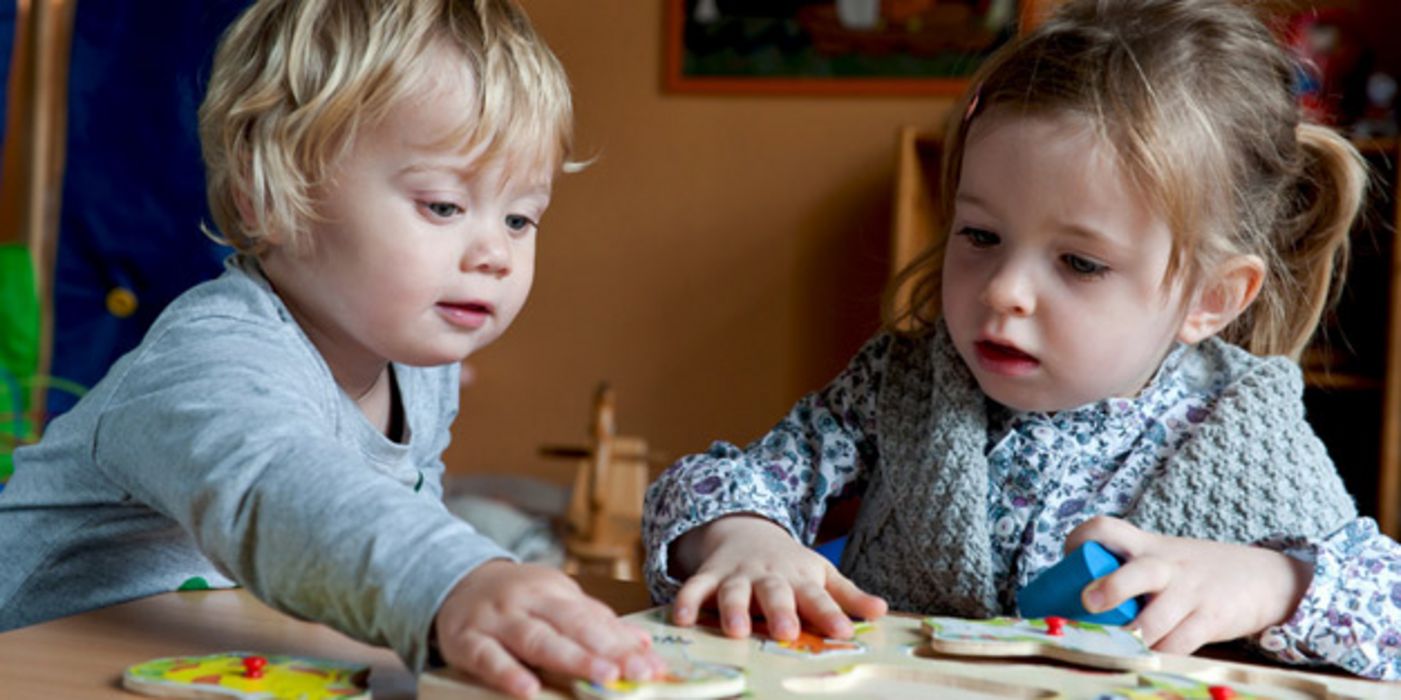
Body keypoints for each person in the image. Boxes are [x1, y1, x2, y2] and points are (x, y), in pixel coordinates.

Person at [644, 0, 1400, 680]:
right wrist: (740, 539)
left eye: (1079, 262)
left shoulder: (1243, 429)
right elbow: (717, 483)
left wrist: (1271, 585)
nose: (1003, 289)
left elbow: (1388, 610)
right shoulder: (904, 380)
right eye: (979, 234)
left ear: (1209, 298)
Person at [0, 1, 661, 697]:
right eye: (442, 205)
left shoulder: (416, 370)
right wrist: (454, 581)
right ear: (268, 195)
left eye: (520, 217)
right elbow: (281, 491)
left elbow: (400, 519)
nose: (495, 252)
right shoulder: (209, 359)